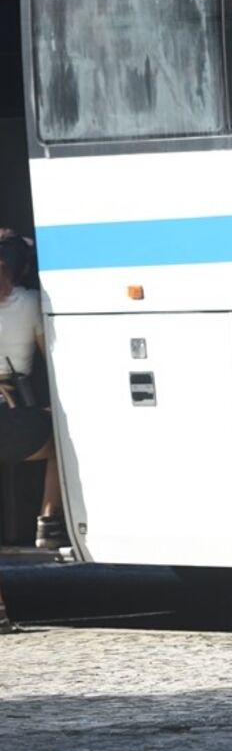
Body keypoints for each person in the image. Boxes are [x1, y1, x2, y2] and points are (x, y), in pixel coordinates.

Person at [0, 231, 65, 551]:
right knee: (60, 442)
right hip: (11, 419)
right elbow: (50, 359)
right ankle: (48, 522)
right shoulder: (28, 303)